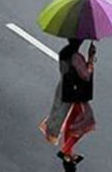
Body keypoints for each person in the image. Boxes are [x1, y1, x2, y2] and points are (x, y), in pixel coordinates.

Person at [40, 39, 96, 172]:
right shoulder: (77, 57)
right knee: (85, 123)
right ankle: (66, 151)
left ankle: (68, 152)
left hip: (66, 90)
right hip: (77, 95)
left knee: (71, 122)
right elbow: (85, 76)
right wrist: (91, 60)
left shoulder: (64, 53)